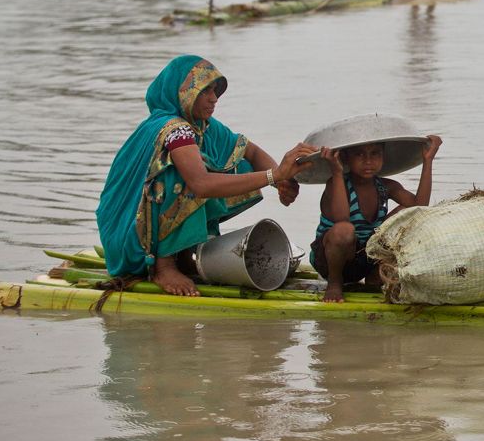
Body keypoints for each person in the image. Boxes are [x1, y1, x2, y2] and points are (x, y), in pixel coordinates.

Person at [96, 56, 318, 296]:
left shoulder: (204, 126)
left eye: (215, 91)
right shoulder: (174, 128)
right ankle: (164, 265)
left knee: (237, 163)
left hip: (146, 224)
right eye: (205, 91)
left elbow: (250, 152)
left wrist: (281, 182)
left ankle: (185, 253)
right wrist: (274, 175)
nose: (213, 99)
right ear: (182, 93)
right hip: (131, 237)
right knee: (184, 178)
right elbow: (200, 185)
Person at [312, 134, 443, 302]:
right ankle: (335, 283)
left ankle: (374, 275)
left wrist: (428, 160)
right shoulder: (336, 183)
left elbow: (419, 207)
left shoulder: (386, 187)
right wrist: (336, 172)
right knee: (345, 229)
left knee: (406, 214)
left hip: (365, 258)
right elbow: (342, 218)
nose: (368, 161)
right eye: (359, 154)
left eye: (375, 154)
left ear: (383, 156)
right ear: (345, 158)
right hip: (330, 260)